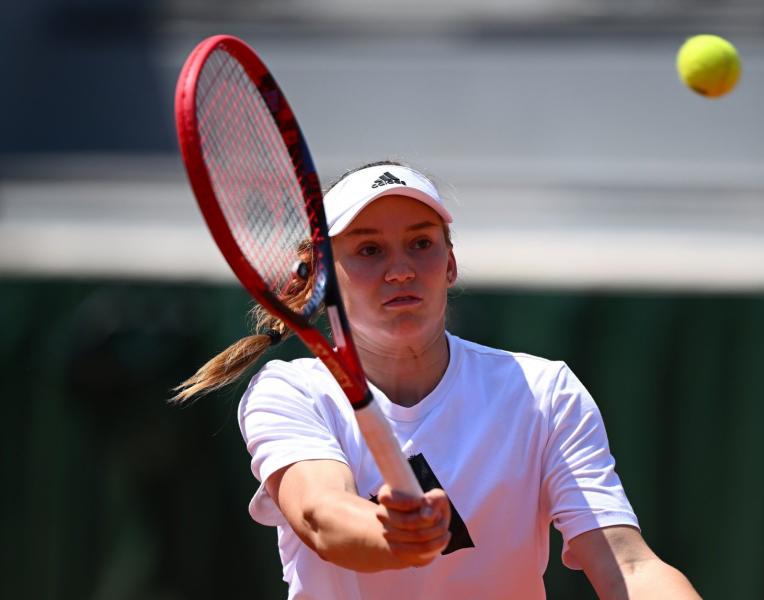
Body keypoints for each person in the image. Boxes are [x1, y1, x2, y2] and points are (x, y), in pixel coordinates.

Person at [175, 161, 700, 599]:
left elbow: (628, 567)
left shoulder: (545, 392)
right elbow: (320, 515)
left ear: (450, 264)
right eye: (369, 250)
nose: (400, 268)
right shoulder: (291, 391)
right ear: (321, 276)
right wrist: (392, 536)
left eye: (421, 243)